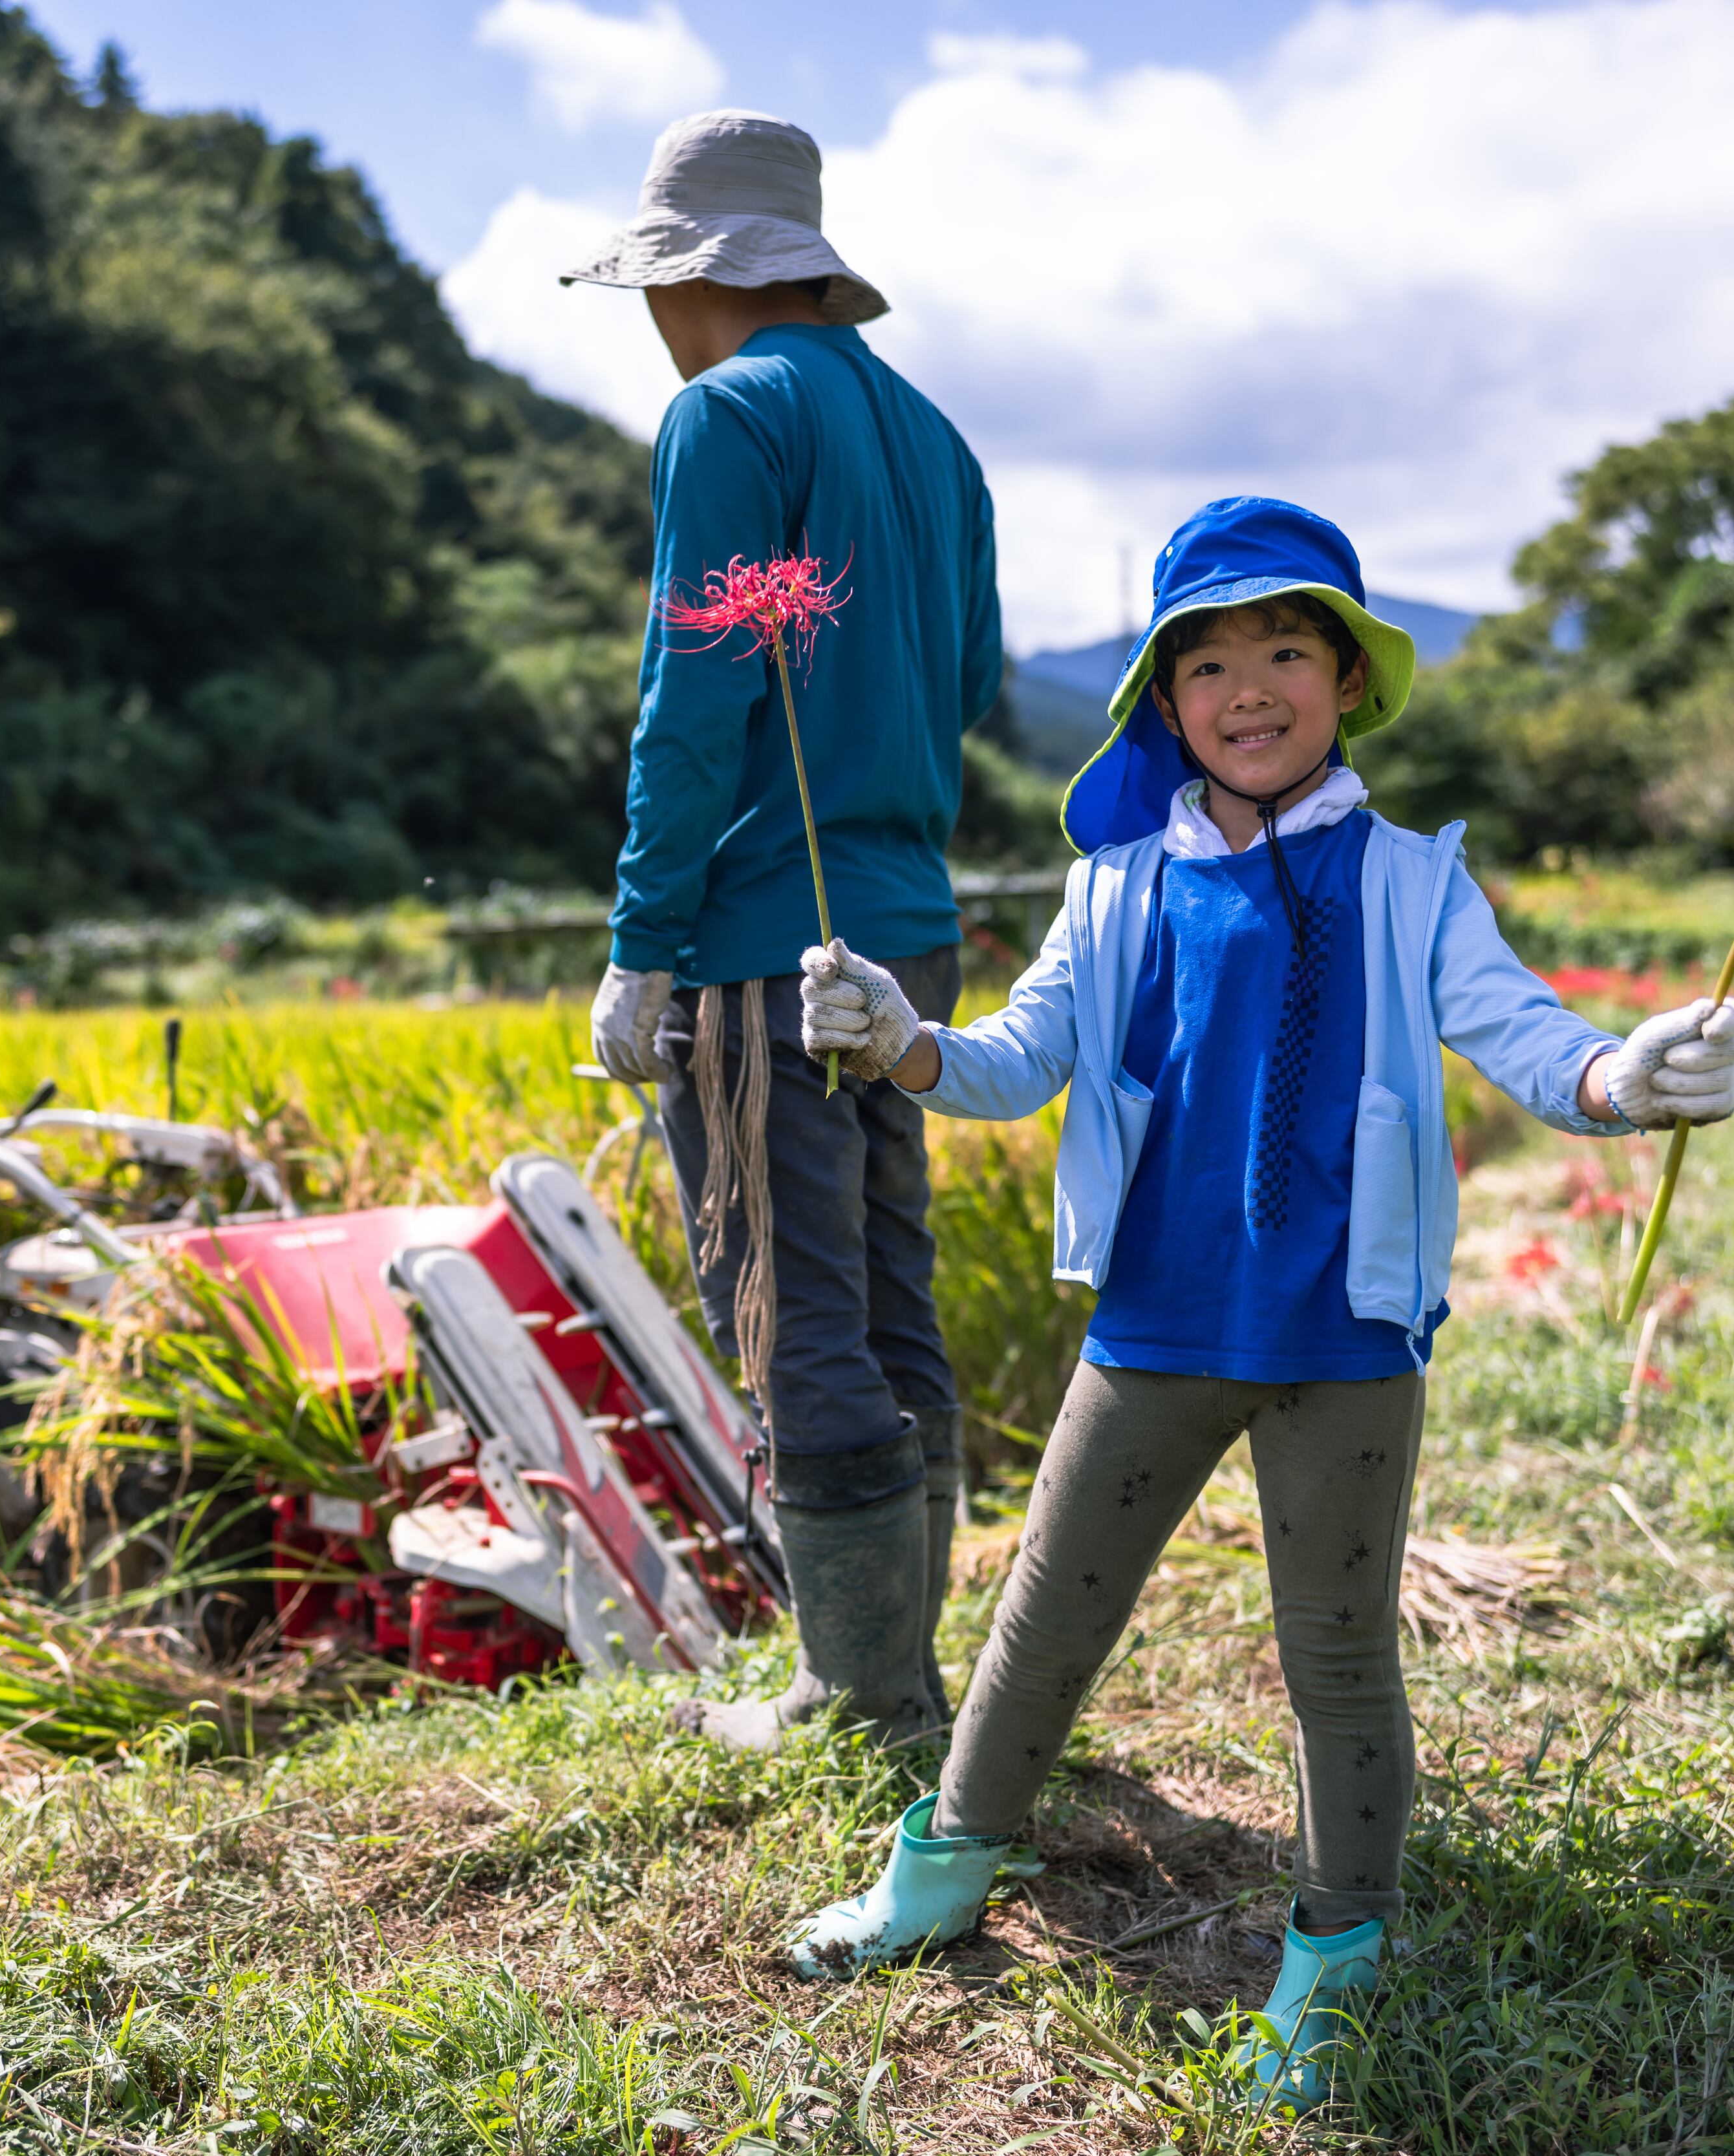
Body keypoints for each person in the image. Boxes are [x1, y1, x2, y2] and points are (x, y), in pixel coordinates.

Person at [778, 499, 1734, 2109]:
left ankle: (1335, 1953)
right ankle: (938, 1871)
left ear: (1348, 681)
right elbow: (1012, 1064)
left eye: (1284, 648)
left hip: (1339, 1342)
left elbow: (1523, 1036)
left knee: (1338, 1659)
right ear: (1163, 702)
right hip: (1150, 1327)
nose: (1246, 686)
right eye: (1206, 659)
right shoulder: (1114, 891)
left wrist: (1623, 1073)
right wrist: (895, 1036)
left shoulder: (1411, 881)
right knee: (1042, 1626)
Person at [567, 109, 1004, 1753]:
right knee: (894, 1282)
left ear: (699, 278)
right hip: (908, 929)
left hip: (763, 938)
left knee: (782, 1295)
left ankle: (861, 1691)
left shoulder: (724, 413)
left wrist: (642, 937)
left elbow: (695, 696)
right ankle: (914, 1675)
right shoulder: (935, 438)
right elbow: (967, 684)